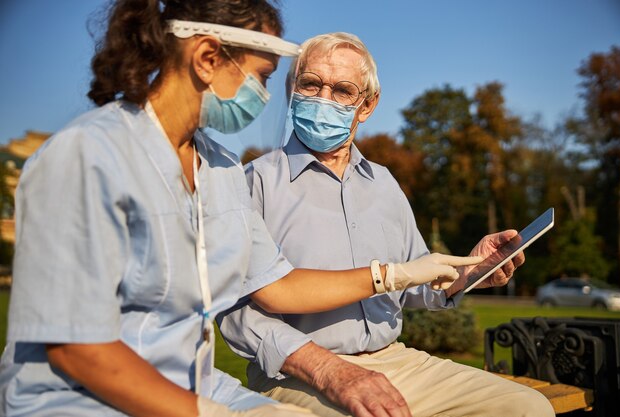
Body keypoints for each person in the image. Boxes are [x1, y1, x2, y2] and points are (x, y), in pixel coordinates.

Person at [0, 2, 482, 417]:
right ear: (208, 57)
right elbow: (73, 349)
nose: (267, 97)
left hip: (195, 387)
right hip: (77, 400)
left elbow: (277, 288)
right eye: (263, 77)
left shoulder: (221, 168)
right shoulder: (86, 155)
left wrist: (403, 275)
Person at [219, 33, 555, 417]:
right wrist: (327, 370)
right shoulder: (253, 182)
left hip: (397, 361)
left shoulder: (384, 183)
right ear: (291, 90)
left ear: (367, 106)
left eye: (343, 90)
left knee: (526, 406)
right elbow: (234, 311)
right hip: (301, 374)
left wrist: (470, 271)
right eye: (310, 84)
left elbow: (415, 283)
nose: (323, 99)